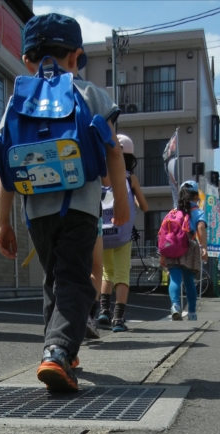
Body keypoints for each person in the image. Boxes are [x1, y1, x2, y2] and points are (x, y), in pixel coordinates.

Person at [0, 13, 129, 392]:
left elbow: (5, 161)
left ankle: (62, 352)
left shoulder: (16, 101)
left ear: (27, 61)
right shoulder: (88, 93)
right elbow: (114, 153)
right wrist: (120, 199)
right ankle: (57, 350)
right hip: (81, 209)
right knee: (76, 280)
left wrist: (3, 222)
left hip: (36, 214)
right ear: (76, 57)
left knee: (53, 280)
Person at [98, 134, 148, 333]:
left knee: (105, 272)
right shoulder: (130, 178)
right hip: (122, 234)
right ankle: (118, 319)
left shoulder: (101, 175)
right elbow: (144, 206)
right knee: (121, 275)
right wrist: (134, 200)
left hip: (102, 233)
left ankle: (103, 311)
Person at [161, 180, 207, 321]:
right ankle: (192, 313)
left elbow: (163, 233)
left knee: (174, 279)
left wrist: (162, 254)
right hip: (188, 247)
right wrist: (204, 247)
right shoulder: (198, 212)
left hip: (172, 246)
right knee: (189, 281)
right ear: (195, 197)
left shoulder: (173, 213)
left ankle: (175, 306)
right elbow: (200, 227)